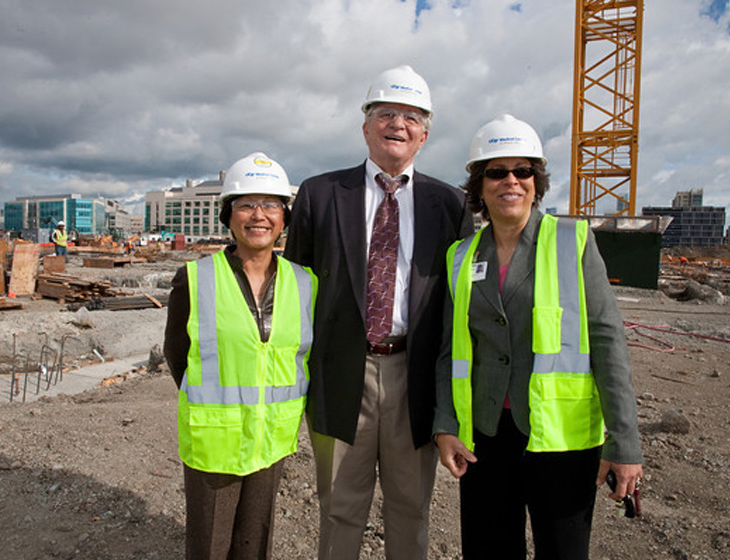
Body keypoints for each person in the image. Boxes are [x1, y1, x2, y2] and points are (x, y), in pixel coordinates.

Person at [433, 114, 644, 559]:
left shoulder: (573, 241)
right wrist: (446, 426)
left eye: (522, 170)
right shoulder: (461, 256)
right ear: (479, 184)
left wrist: (624, 442)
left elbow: (608, 343)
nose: (511, 180)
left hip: (562, 441)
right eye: (496, 171)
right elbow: (448, 350)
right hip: (486, 438)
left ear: (536, 180)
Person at [284, 65, 473, 560]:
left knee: (411, 508)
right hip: (340, 373)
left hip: (416, 376)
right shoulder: (320, 195)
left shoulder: (450, 204)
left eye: (411, 117)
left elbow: (458, 304)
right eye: (385, 113)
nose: (398, 124)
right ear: (365, 126)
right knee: (339, 506)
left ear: (425, 135)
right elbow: (294, 291)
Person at [164, 152, 317, 560]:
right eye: (246, 204)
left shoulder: (305, 283)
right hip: (215, 441)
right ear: (228, 216)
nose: (259, 215)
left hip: (271, 439)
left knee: (255, 546)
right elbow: (176, 354)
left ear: (284, 218)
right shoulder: (195, 279)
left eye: (270, 205)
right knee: (210, 547)